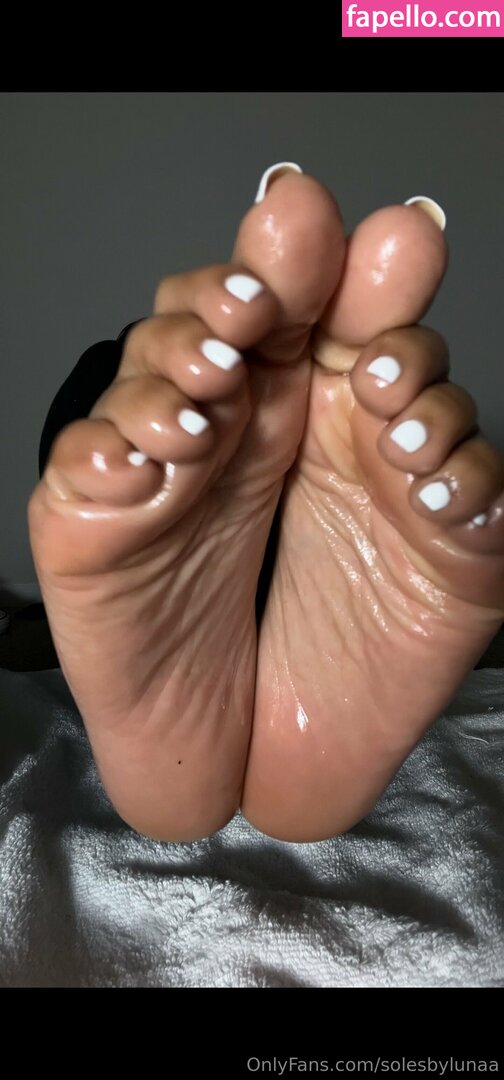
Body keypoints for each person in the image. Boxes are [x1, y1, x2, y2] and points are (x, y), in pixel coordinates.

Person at [28, 163, 504, 844]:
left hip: (240, 482)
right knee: (134, 409)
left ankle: (218, 517)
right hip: (215, 480)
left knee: (129, 414)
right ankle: (200, 510)